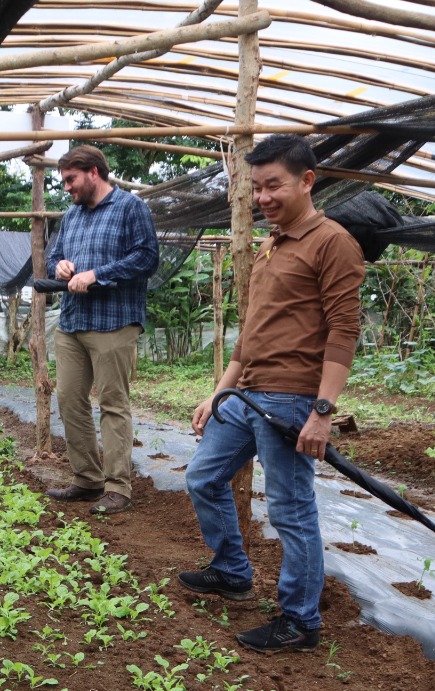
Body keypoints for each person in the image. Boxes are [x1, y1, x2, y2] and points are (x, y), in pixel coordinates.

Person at [179, 134, 365, 654]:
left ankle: (300, 621)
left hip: (291, 398)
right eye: (256, 188)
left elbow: (344, 331)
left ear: (307, 181)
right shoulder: (271, 244)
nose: (262, 198)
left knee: (290, 509)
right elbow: (251, 333)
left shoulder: (332, 242)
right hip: (246, 395)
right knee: (203, 476)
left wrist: (322, 411)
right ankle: (232, 571)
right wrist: (218, 394)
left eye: (273, 186)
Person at [45, 145, 159, 516]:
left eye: (71, 179)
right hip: (72, 322)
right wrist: (59, 266)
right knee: (69, 399)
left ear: (94, 172)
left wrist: (97, 274)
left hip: (114, 322)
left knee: (112, 404)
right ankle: (87, 478)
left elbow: (147, 257)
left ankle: (117, 488)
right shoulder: (71, 215)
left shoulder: (130, 207)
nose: (67, 187)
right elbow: (52, 257)